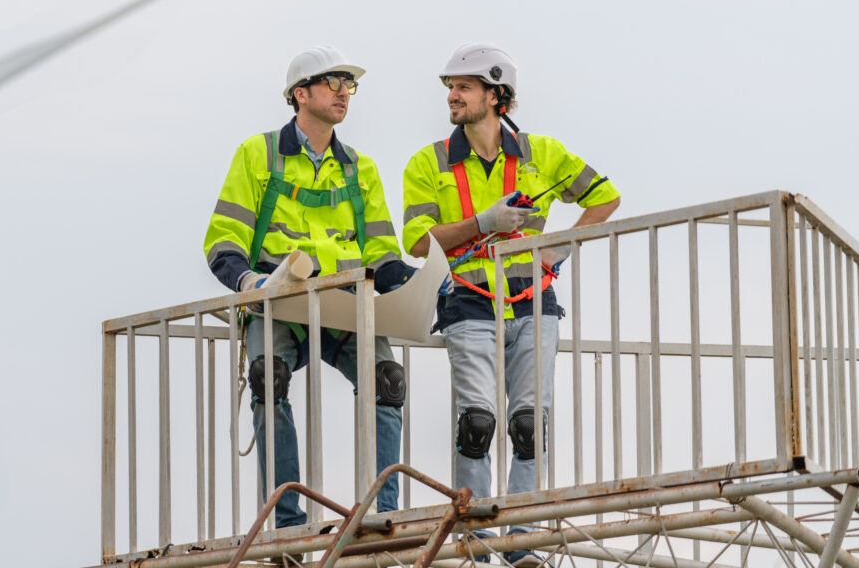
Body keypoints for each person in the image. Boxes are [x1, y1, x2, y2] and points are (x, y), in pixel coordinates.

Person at [402, 44, 620, 566]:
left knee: (529, 424)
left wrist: (559, 247)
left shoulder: (541, 153)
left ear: (497, 96)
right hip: (468, 303)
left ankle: (522, 540)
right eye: (450, 87)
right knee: (476, 422)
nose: (452, 96)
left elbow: (605, 196)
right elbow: (417, 242)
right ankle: (477, 542)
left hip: (532, 303)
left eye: (463, 87)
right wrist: (483, 224)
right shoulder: (428, 162)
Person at [204, 45, 415, 528]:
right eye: (334, 83)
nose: (345, 93)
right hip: (278, 301)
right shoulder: (258, 154)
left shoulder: (361, 168)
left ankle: (386, 516)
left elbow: (382, 253)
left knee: (388, 381)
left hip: (343, 305)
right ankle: (287, 522)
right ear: (301, 94)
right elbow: (222, 241)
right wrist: (250, 281)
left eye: (349, 85)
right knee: (267, 379)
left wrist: (416, 287)